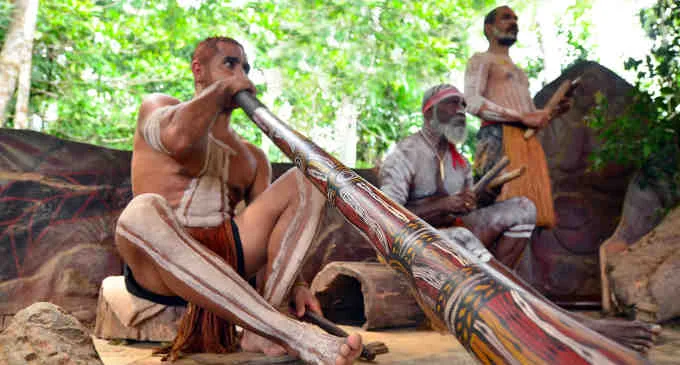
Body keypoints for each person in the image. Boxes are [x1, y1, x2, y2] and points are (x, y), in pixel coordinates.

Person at [114, 36, 361, 365]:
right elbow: (180, 141)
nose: (241, 73)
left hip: (228, 253)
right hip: (157, 265)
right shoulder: (159, 108)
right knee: (141, 211)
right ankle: (288, 333)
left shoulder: (253, 157)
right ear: (198, 70)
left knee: (307, 178)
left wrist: (297, 284)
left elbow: (277, 233)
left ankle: (263, 329)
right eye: (229, 64)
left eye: (245, 67)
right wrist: (221, 91)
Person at [379, 84, 536, 269]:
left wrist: (485, 196)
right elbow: (387, 216)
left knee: (524, 208)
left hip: (454, 234)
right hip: (412, 241)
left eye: (463, 105)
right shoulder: (404, 155)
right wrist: (442, 205)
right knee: (461, 236)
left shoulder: (461, 163)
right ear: (429, 112)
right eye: (453, 103)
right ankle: (494, 286)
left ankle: (497, 280)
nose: (461, 111)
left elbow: (467, 210)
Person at [464, 5, 566, 228]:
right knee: (488, 205)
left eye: (515, 18)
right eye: (506, 18)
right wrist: (521, 117)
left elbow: (532, 117)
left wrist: (554, 111)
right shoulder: (482, 59)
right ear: (489, 28)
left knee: (531, 215)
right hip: (495, 137)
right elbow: (472, 102)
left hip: (526, 143)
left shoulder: (519, 72)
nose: (513, 22)